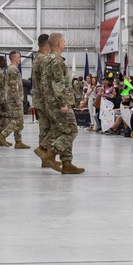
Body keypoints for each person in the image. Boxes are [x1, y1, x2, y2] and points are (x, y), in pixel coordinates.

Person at [39, 32, 83, 174]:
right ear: (59, 44)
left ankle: (67, 163)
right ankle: (50, 153)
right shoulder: (56, 60)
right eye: (63, 41)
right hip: (58, 103)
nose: (64, 44)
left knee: (64, 130)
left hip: (51, 102)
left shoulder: (47, 59)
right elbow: (58, 84)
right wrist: (63, 103)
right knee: (72, 131)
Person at [31, 34, 58, 169]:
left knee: (44, 129)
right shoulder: (45, 59)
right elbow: (47, 81)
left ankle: (46, 159)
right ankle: (45, 153)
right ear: (48, 44)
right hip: (46, 99)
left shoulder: (37, 58)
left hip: (39, 99)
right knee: (54, 127)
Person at [0, 51, 28, 148]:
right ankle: (3, 135)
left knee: (17, 120)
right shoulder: (14, 70)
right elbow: (13, 86)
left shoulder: (10, 69)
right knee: (18, 121)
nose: (20, 59)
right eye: (19, 57)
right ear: (14, 58)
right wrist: (18, 100)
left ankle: (18, 141)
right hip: (15, 100)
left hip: (12, 99)